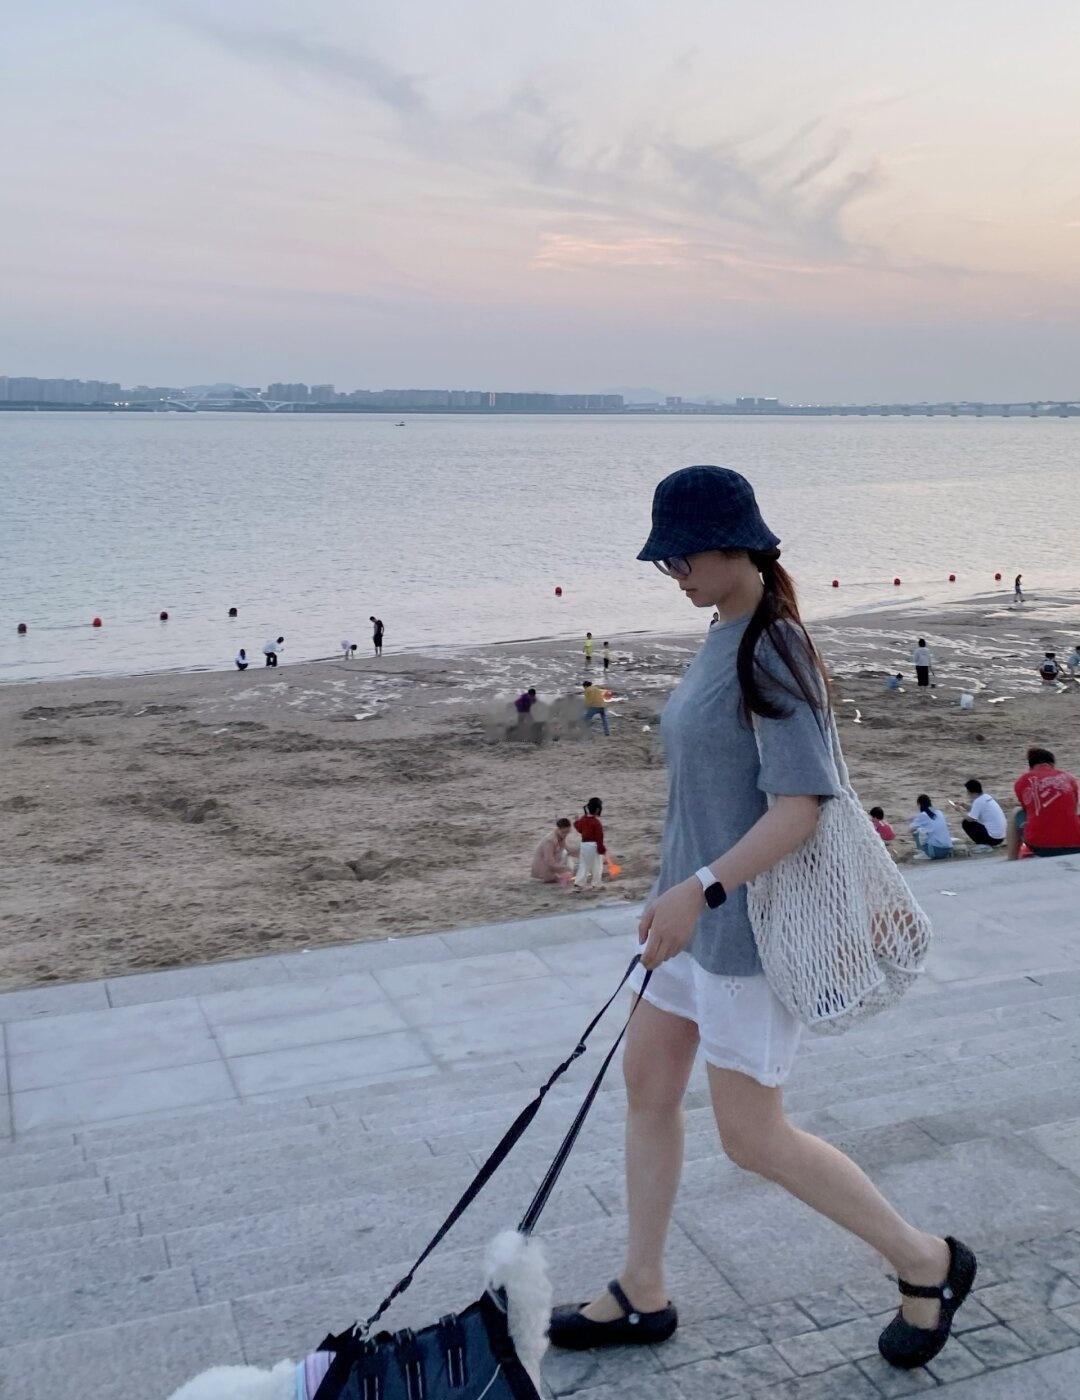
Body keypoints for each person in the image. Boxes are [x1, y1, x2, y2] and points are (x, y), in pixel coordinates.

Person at [549, 465, 974, 1372]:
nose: (676, 575)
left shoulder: (774, 647)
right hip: (687, 922)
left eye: (684, 558)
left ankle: (926, 1261)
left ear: (736, 545)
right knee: (648, 1088)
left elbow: (800, 807)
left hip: (746, 931)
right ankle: (643, 1287)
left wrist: (697, 888)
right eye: (666, 563)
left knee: (752, 1137)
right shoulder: (721, 632)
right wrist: (671, 889)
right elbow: (709, 792)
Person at [1007, 747, 1080, 859]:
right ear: (1052, 764)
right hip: (1076, 844)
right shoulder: (1069, 778)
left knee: (1016, 812)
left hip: (1041, 847)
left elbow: (1027, 811)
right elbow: (1074, 808)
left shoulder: (1022, 781)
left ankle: (1012, 858)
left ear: (1030, 766)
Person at [959, 779, 1006, 849]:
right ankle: (985, 842)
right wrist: (964, 805)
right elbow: (977, 810)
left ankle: (983, 844)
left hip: (993, 839)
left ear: (971, 792)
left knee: (966, 823)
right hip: (1000, 837)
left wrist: (960, 811)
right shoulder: (986, 797)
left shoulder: (978, 801)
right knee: (974, 821)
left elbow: (970, 819)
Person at [573, 798, 606, 889]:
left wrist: (576, 822)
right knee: (597, 865)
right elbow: (599, 837)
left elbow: (580, 829)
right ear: (598, 810)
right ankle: (596, 883)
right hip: (593, 846)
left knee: (583, 864)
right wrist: (601, 849)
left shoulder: (583, 819)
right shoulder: (596, 823)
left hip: (584, 846)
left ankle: (579, 883)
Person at [910, 794, 954, 859]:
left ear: (919, 804)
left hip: (936, 852)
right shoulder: (939, 812)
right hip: (947, 850)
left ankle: (923, 852)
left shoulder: (923, 815)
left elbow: (911, 829)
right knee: (930, 830)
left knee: (917, 831)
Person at [531, 818, 574, 884]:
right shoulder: (550, 840)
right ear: (558, 829)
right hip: (544, 867)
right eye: (563, 832)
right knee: (567, 875)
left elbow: (569, 850)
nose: (565, 834)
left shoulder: (560, 836)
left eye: (567, 832)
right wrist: (564, 868)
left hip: (553, 864)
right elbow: (549, 861)